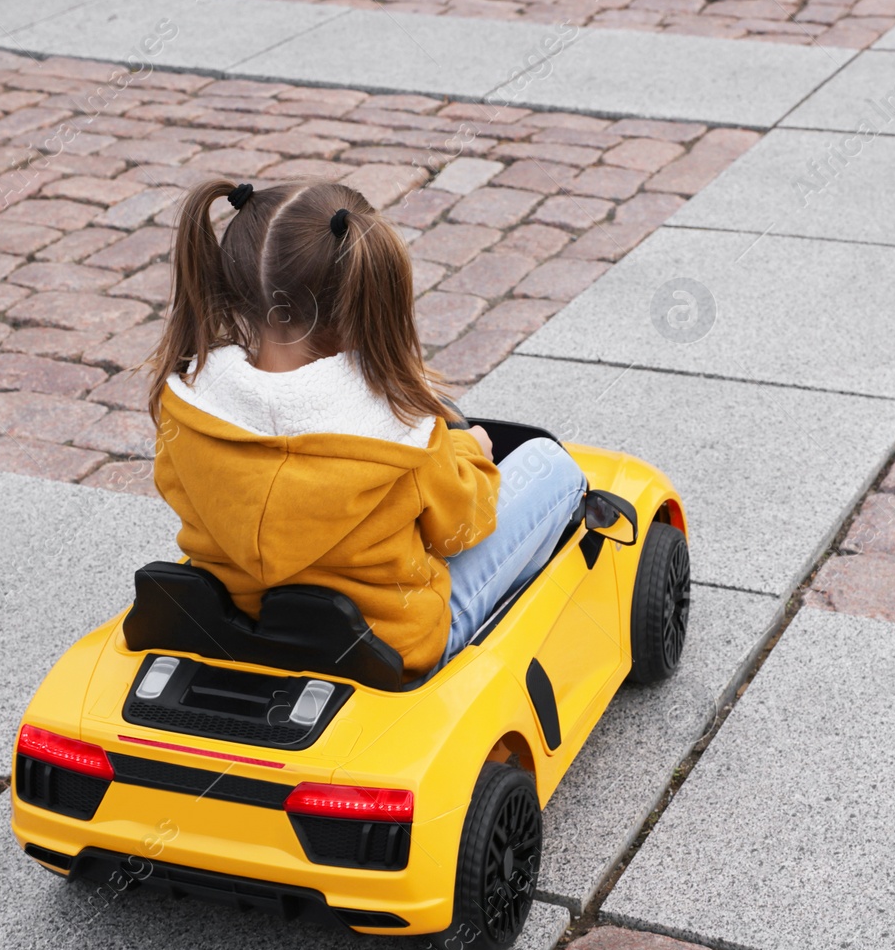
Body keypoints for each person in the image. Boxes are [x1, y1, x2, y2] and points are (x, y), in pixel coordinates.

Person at [146, 179, 586, 680]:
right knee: (553, 470)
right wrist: (470, 450)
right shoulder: (401, 427)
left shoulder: (188, 403)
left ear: (236, 287)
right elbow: (463, 526)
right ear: (364, 295)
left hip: (235, 623)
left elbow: (173, 485)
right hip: (386, 646)